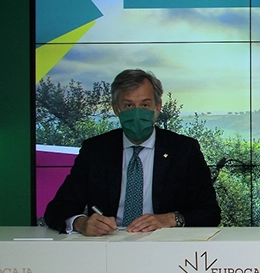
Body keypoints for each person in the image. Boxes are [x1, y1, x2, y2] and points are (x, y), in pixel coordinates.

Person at [44, 69, 220, 236]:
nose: (137, 113)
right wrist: (81, 223)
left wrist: (169, 219)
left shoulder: (184, 150)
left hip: (164, 245)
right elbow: (57, 209)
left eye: (145, 105)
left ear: (158, 107)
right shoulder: (95, 150)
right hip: (107, 244)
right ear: (116, 108)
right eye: (128, 105)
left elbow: (210, 213)